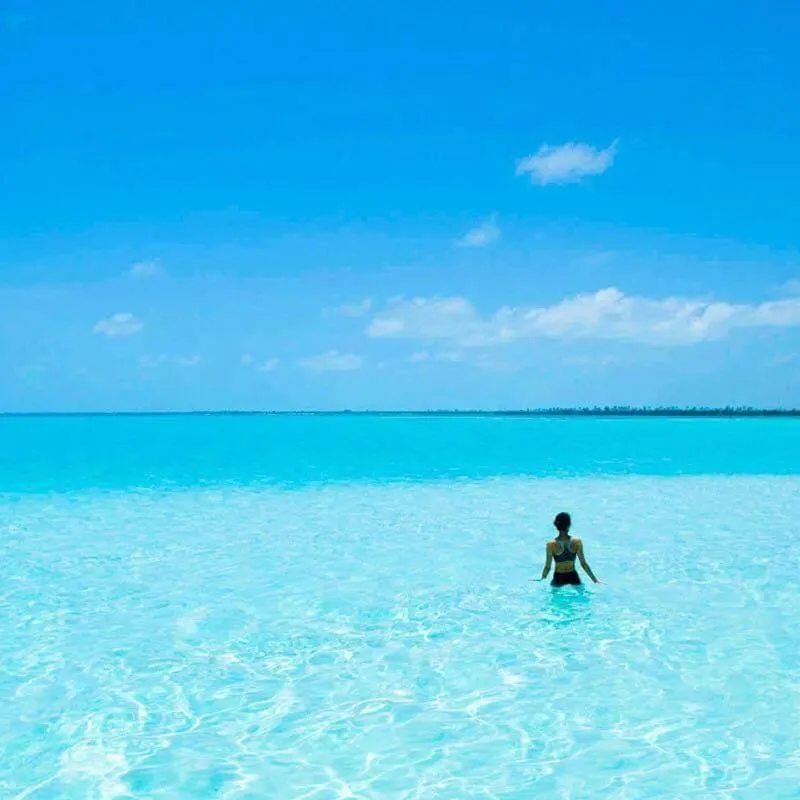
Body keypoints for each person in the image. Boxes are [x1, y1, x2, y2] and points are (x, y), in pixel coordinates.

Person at [538, 512, 600, 586]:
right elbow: (583, 564)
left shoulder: (550, 544)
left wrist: (542, 578)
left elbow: (547, 567)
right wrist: (595, 580)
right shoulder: (577, 542)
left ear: (556, 526)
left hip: (558, 577)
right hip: (573, 576)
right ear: (569, 525)